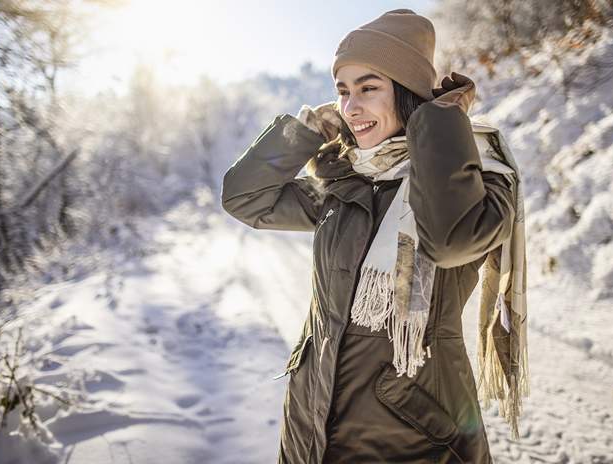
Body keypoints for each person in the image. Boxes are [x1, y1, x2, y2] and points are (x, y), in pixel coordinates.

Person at [222, 9, 526, 464]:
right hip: (312, 423)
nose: (351, 107)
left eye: (368, 88)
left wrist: (439, 123)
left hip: (410, 435)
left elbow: (450, 241)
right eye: (343, 92)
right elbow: (246, 197)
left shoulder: (479, 176)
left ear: (408, 94)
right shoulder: (346, 183)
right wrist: (308, 131)